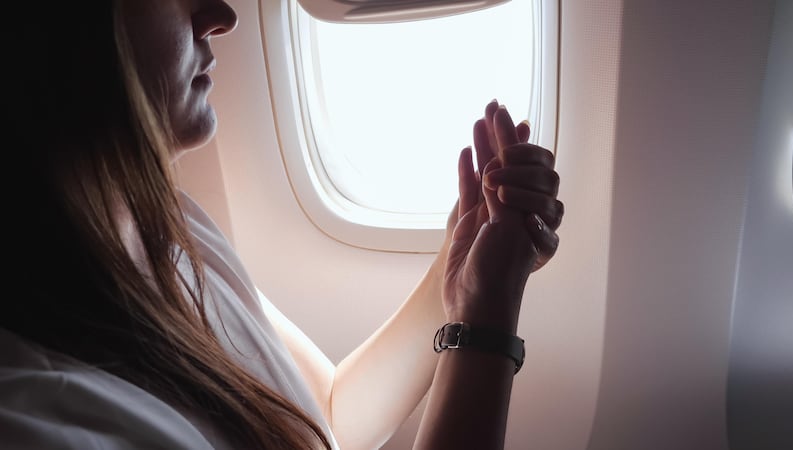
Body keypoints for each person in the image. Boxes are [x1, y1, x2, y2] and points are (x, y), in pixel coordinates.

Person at [2, 0, 563, 449]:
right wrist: (488, 320)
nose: (221, 14)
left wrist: (459, 271)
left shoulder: (171, 226)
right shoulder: (45, 419)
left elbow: (327, 417)